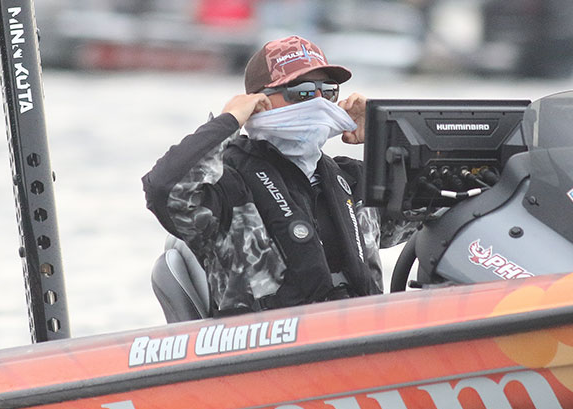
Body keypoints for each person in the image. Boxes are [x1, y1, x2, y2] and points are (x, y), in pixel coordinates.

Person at [143, 35, 412, 316]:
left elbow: (437, 200)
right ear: (258, 101)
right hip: (268, 338)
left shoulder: (356, 181)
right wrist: (229, 121)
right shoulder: (226, 190)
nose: (319, 102)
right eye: (302, 92)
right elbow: (164, 190)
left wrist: (387, 132)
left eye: (328, 92)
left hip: (364, 331)